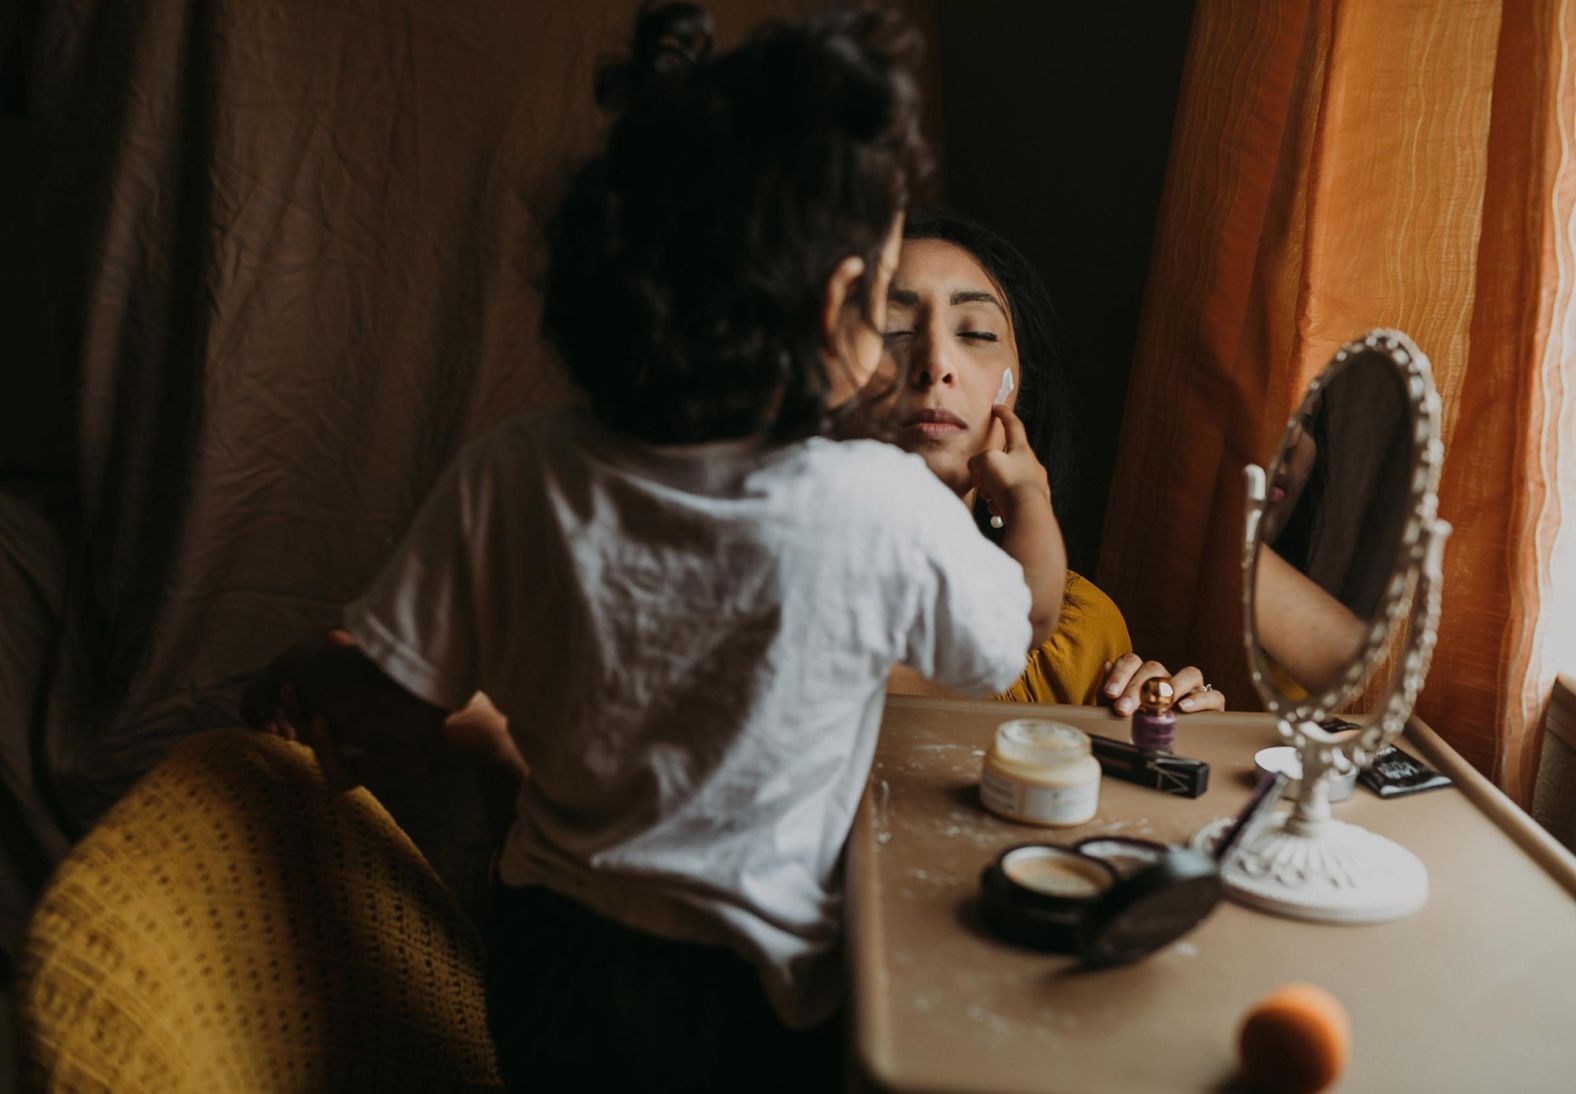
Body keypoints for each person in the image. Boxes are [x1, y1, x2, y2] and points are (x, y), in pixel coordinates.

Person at [242, 5, 1050, 1090]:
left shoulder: (511, 471)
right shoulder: (879, 503)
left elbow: (399, 700)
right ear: (830, 310)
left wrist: (314, 671)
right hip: (761, 992)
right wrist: (1023, 500)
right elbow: (1006, 640)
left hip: (550, 961)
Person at [876, 207, 1226, 715]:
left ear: (1020, 391)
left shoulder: (1080, 638)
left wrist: (1167, 740)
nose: (936, 364)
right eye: (892, 329)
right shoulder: (759, 594)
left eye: (975, 334)